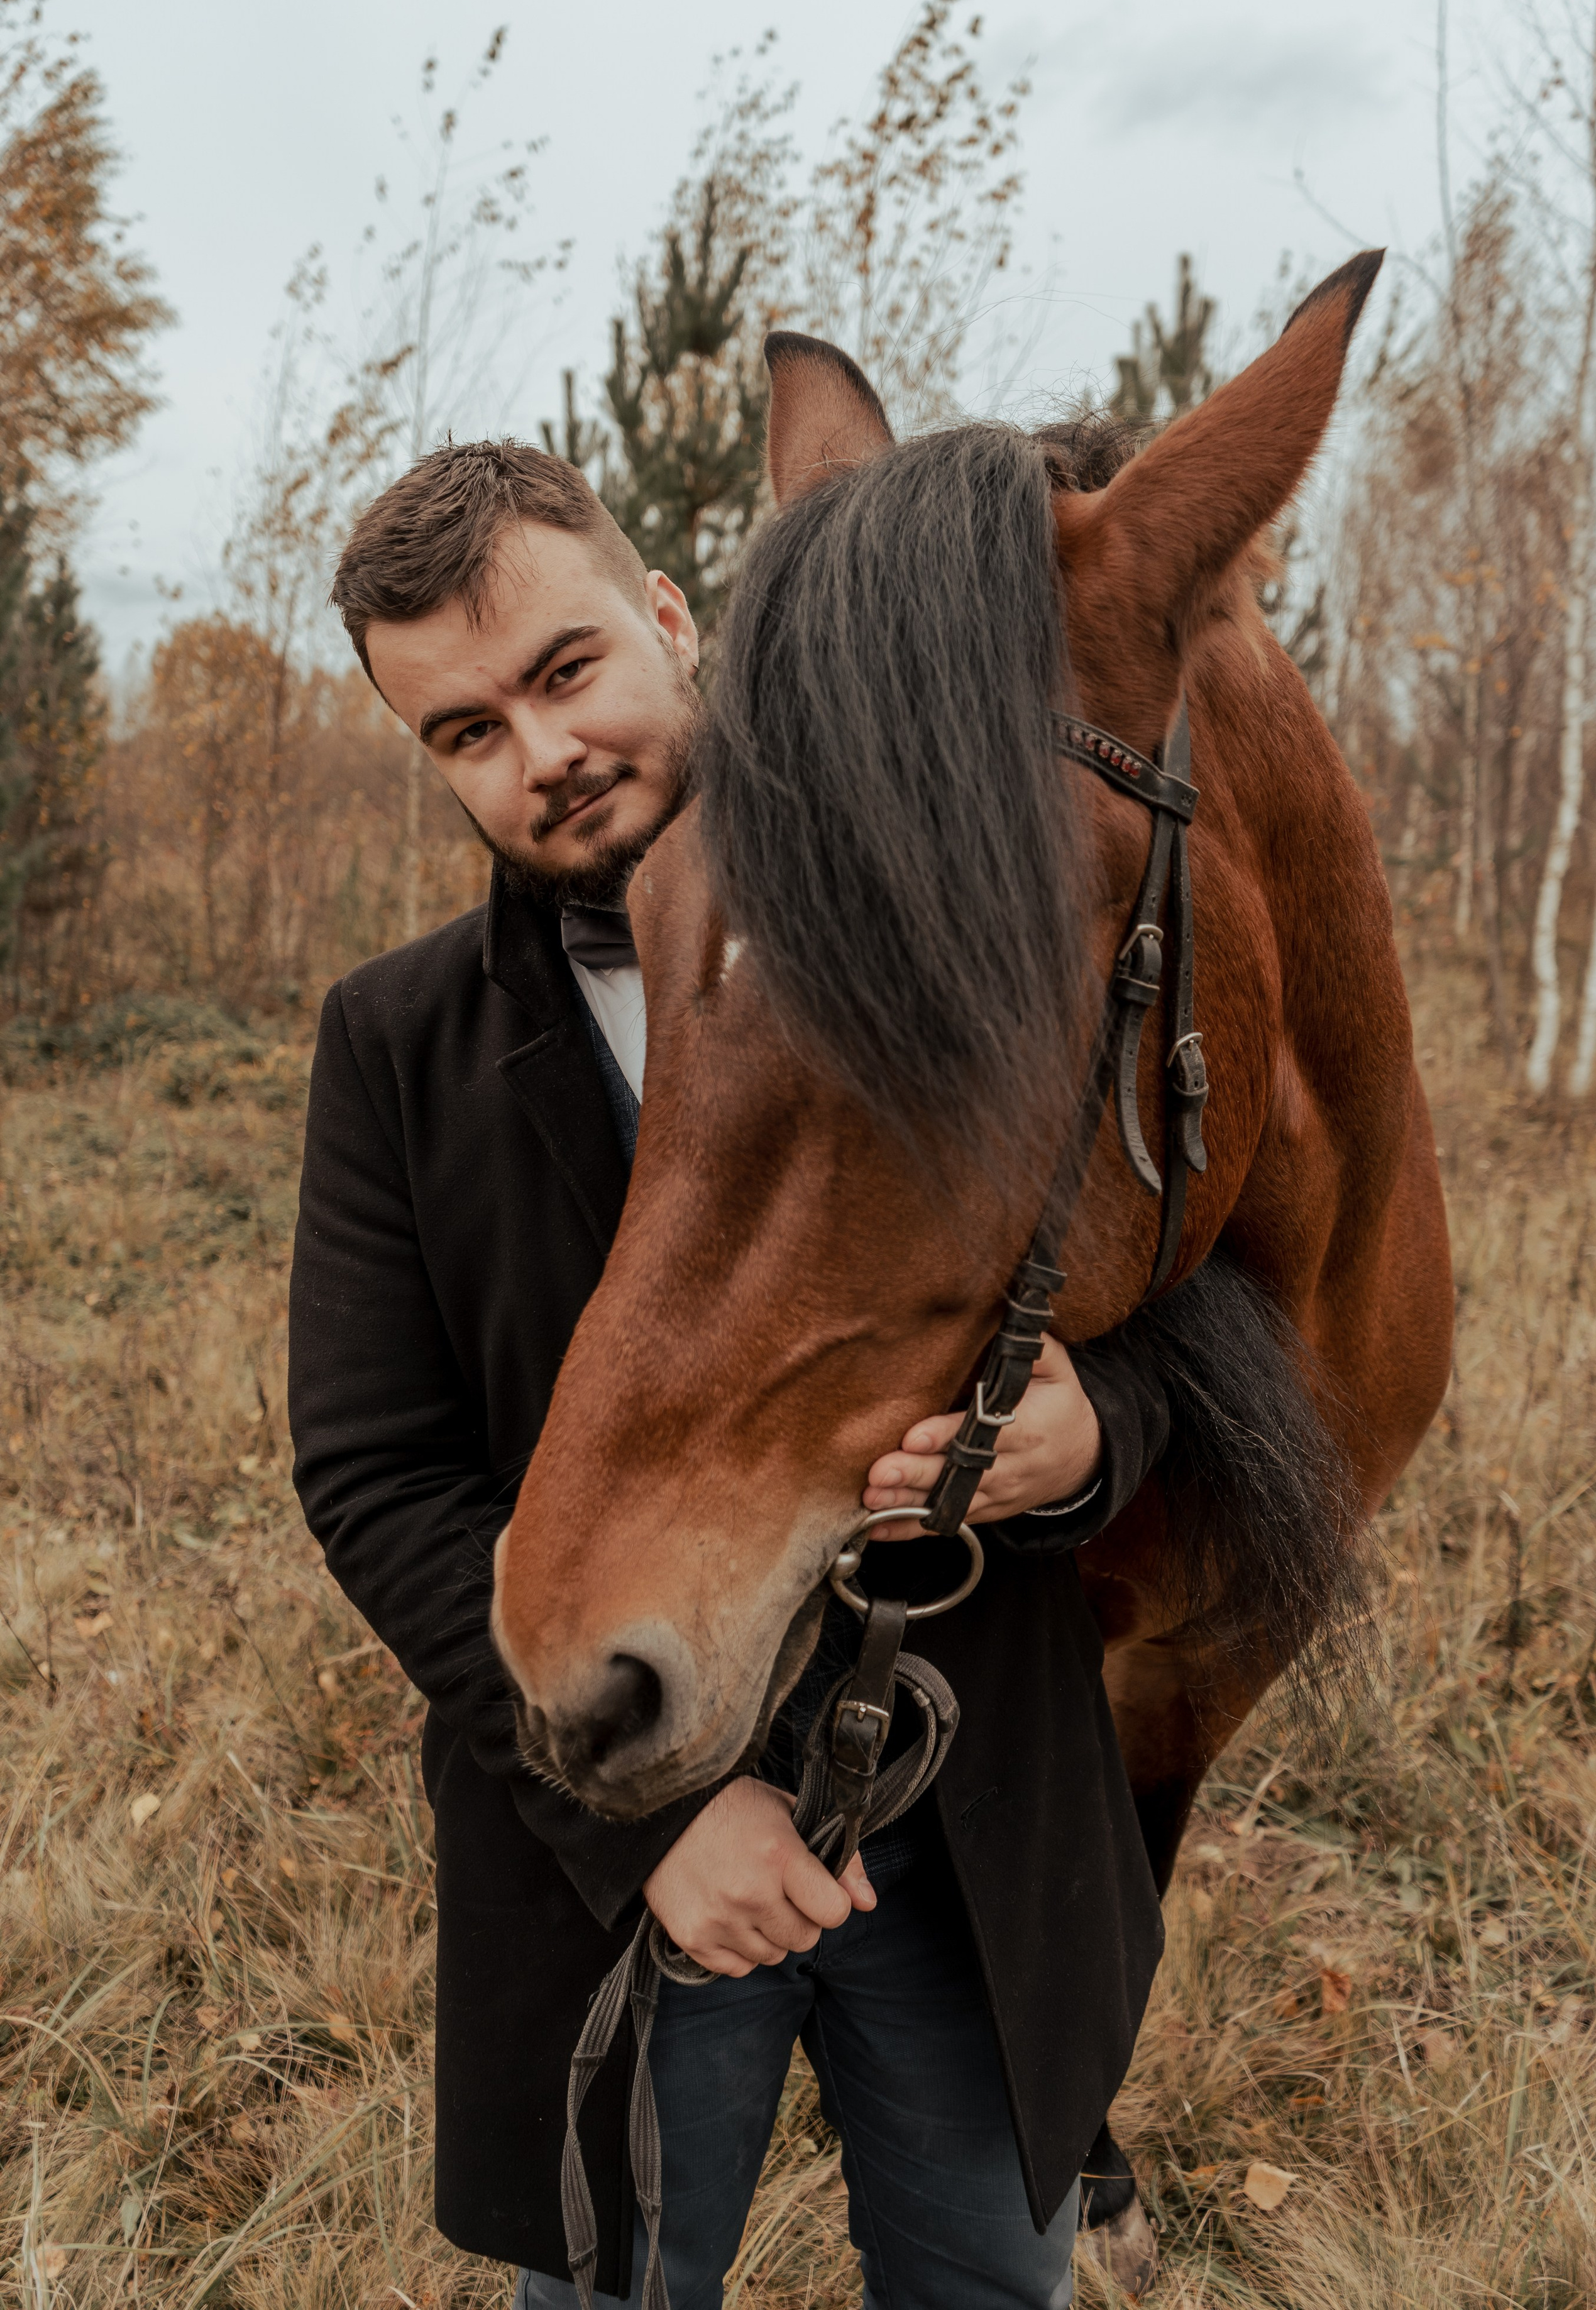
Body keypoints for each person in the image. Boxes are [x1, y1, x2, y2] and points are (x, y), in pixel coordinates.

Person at [290, 439, 1170, 2310]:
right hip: (619, 1847)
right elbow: (376, 1473)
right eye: (464, 733)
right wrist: (661, 1822)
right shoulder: (397, 1048)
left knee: (986, 2288)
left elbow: (1189, 1277)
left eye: (565, 670)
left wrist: (1112, 1431)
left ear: (674, 619)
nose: (539, 754)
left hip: (966, 1814)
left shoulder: (969, 929)